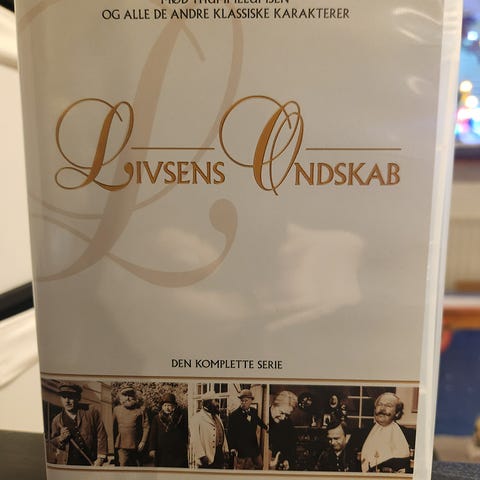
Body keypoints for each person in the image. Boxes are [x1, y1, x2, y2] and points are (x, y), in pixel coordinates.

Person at [355, 392, 415, 473]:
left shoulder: (410, 435)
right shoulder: (359, 434)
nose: (382, 409)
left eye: (388, 406)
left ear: (397, 413)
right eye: (380, 404)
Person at [50, 383, 108, 466]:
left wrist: (100, 458)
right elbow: (53, 442)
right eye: (64, 397)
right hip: (69, 463)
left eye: (70, 397)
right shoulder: (57, 420)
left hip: (91, 462)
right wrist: (61, 438)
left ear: (78, 398)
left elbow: (101, 434)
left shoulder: (91, 411)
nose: (67, 401)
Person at [228, 389, 268, 469]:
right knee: (241, 469)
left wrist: (266, 427)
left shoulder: (253, 411)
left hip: (254, 447)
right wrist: (232, 447)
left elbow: (258, 420)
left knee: (260, 465)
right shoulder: (234, 415)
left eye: (245, 401)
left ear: (251, 401)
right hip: (241, 448)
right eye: (242, 401)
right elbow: (230, 433)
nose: (243, 403)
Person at [112, 385, 150, 466]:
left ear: (134, 397)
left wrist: (143, 442)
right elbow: (113, 428)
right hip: (121, 445)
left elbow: (146, 427)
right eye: (125, 395)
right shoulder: (116, 410)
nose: (128, 398)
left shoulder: (141, 410)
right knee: (123, 467)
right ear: (121, 397)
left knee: (137, 468)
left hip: (137, 446)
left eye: (130, 395)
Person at [149, 393, 189, 467]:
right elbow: (153, 435)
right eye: (165, 405)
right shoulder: (157, 418)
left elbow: (185, 432)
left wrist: (186, 444)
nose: (167, 408)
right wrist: (152, 449)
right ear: (162, 407)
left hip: (177, 451)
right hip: (161, 451)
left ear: (174, 406)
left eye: (169, 405)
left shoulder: (180, 417)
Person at [190, 395, 229, 469]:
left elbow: (222, 434)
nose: (218, 404)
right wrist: (202, 456)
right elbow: (195, 440)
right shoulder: (197, 418)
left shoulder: (217, 418)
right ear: (208, 403)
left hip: (219, 456)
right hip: (206, 458)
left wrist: (226, 450)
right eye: (215, 401)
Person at [268, 390, 297, 470]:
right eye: (281, 413)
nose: (283, 418)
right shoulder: (262, 417)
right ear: (274, 405)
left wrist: (287, 460)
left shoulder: (288, 424)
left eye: (287, 415)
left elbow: (291, 448)